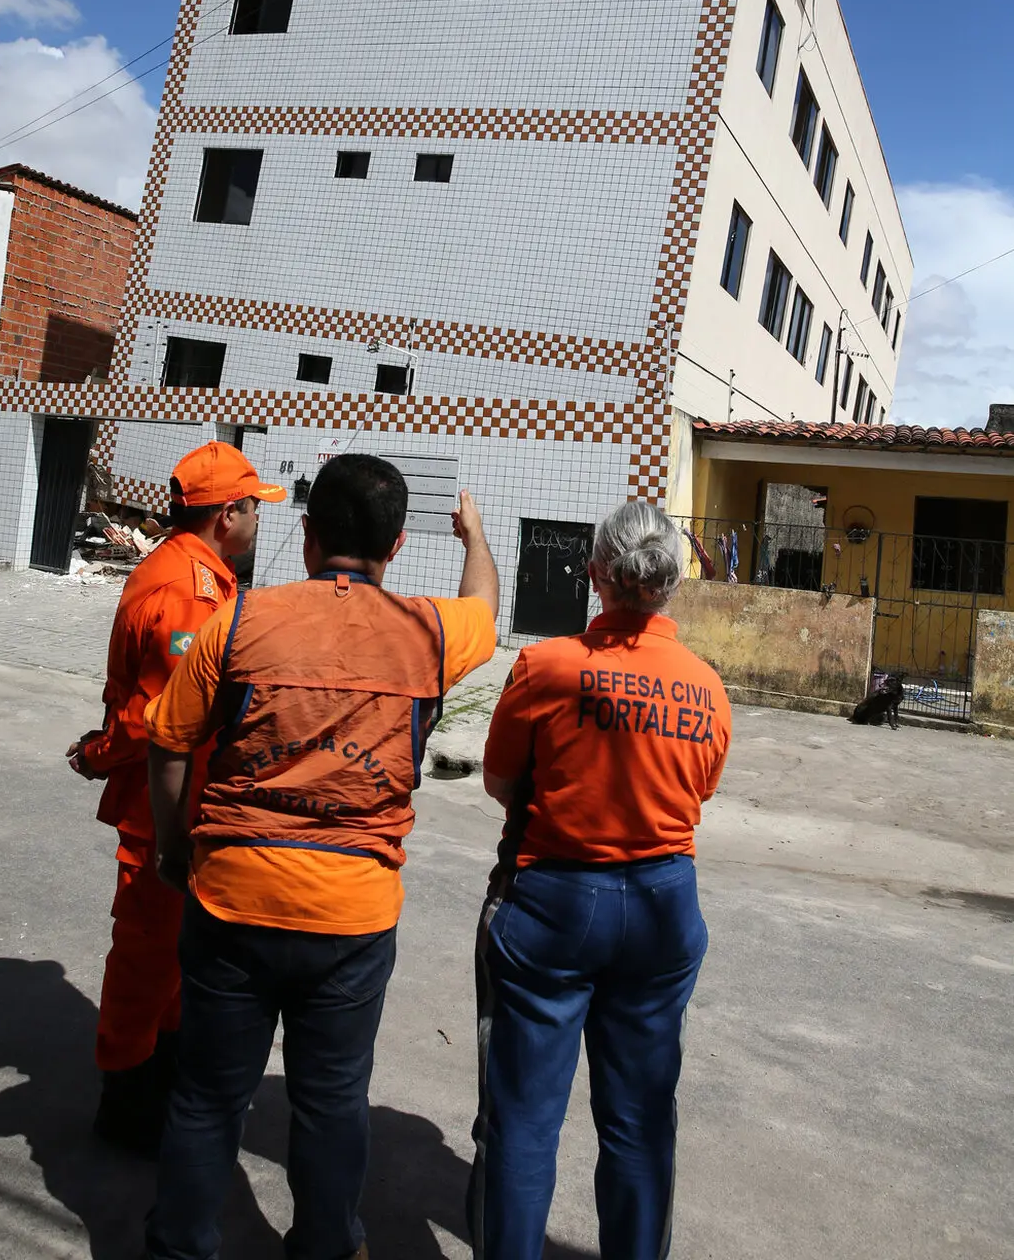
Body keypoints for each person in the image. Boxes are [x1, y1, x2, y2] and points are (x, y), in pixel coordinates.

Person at [142, 453, 499, 1260]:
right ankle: (325, 1247)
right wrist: (474, 536)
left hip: (231, 894)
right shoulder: (429, 633)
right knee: (333, 1101)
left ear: (305, 535)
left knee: (204, 1099)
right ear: (398, 545)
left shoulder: (236, 621)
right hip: (352, 914)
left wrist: (175, 849)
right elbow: (486, 606)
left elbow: (166, 742)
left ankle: (177, 1248)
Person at [469, 500, 732, 1260]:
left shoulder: (547, 666)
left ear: (594, 577)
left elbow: (497, 778)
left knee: (523, 1118)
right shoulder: (706, 688)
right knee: (641, 1120)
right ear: (672, 585)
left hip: (553, 898)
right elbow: (698, 791)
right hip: (661, 904)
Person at [66, 439, 286, 1153]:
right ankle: (127, 1102)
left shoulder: (200, 574)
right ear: (228, 514)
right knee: (147, 957)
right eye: (254, 508)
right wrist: (99, 755)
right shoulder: (185, 589)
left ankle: (157, 1083)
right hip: (164, 811)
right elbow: (158, 720)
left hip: (187, 806)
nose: (260, 522)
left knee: (177, 961)